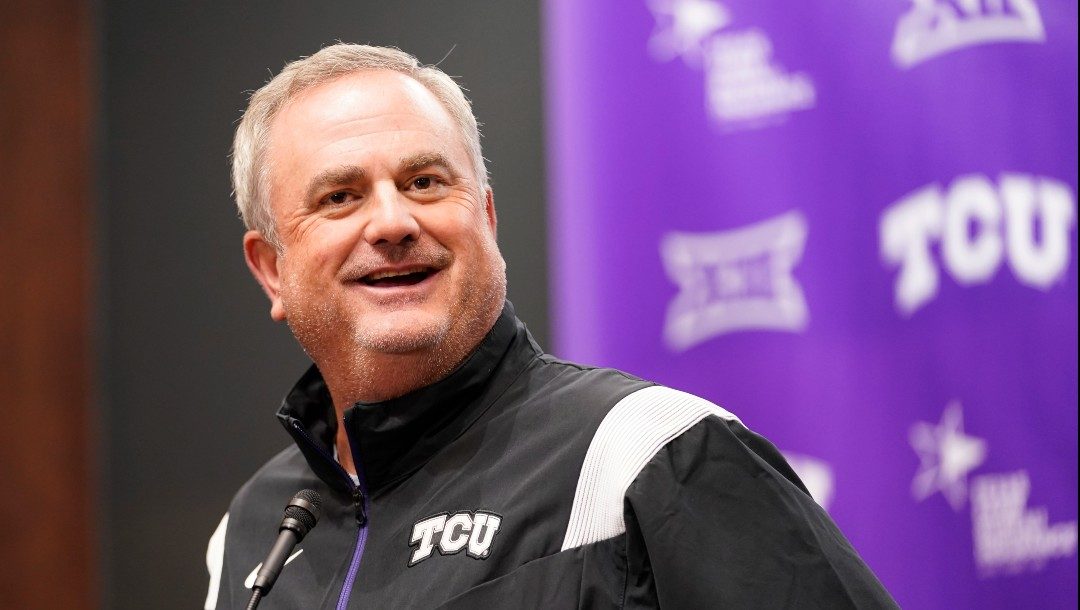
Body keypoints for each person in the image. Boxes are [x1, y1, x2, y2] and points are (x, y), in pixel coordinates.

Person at [205, 43, 898, 609]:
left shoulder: (652, 456)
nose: (392, 222)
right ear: (271, 269)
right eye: (340, 196)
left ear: (487, 218)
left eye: (424, 182)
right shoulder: (248, 533)